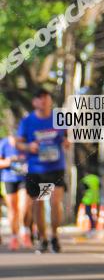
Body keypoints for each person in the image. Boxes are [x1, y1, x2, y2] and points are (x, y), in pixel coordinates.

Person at [17, 88, 70, 253]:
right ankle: (43, 238)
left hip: (55, 167)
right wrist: (28, 146)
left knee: (55, 202)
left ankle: (54, 236)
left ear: (50, 101)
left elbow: (68, 136)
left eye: (46, 98)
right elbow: (18, 143)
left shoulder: (58, 118)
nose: (43, 101)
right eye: (39, 98)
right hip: (36, 169)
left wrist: (67, 142)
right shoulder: (28, 122)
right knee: (38, 204)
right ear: (34, 102)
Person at [0, 133, 31, 249]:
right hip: (9, 179)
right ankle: (14, 237)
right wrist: (9, 161)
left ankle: (25, 232)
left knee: (24, 206)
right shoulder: (3, 144)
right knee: (13, 208)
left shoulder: (27, 144)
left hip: (25, 178)